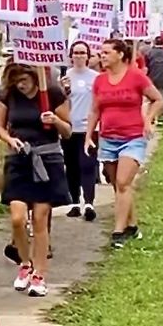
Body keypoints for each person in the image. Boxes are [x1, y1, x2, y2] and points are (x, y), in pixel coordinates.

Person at [0, 64, 70, 296]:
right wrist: (8, 139)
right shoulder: (9, 95)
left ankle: (40, 273)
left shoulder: (53, 93)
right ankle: (24, 264)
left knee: (40, 218)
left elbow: (67, 130)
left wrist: (55, 120)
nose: (21, 85)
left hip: (47, 159)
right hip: (19, 158)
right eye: (16, 81)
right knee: (17, 217)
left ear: (35, 77)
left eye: (24, 80)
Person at [87, 39, 163, 248]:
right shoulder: (100, 81)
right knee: (118, 186)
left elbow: (158, 100)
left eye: (106, 52)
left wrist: (148, 119)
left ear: (120, 54)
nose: (101, 56)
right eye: (100, 53)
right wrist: (89, 135)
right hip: (108, 137)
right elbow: (95, 110)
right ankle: (132, 225)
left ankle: (118, 232)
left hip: (133, 137)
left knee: (123, 182)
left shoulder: (135, 76)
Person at [61, 42, 99, 220]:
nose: (79, 56)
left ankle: (89, 203)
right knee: (71, 166)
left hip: (89, 129)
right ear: (71, 56)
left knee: (88, 164)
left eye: (82, 53)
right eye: (75, 53)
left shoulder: (95, 78)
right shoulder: (65, 77)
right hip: (70, 128)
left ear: (88, 56)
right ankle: (75, 202)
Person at [142, 40, 163, 121]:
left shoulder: (148, 53)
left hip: (150, 80)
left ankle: (149, 116)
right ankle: (158, 117)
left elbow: (145, 66)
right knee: (161, 98)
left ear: (154, 43)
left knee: (148, 99)